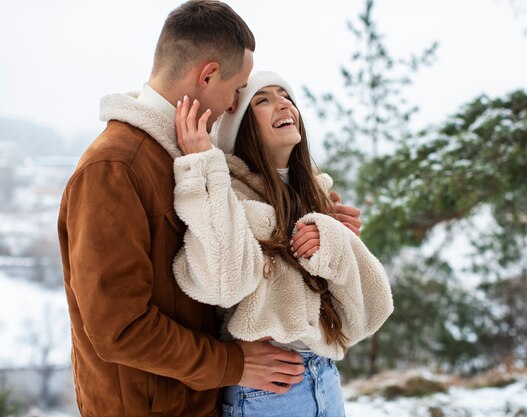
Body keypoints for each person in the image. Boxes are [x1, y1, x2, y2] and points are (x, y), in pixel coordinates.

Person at [57, 2, 363, 416]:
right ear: (207, 75)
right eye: (237, 91)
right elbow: (118, 328)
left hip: (202, 403)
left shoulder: (190, 154)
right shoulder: (116, 167)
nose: (233, 105)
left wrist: (319, 229)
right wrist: (232, 364)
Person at [172, 70, 394, 417]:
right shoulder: (227, 193)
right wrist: (201, 164)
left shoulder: (317, 197)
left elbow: (368, 313)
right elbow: (222, 284)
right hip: (267, 391)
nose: (283, 104)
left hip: (325, 377)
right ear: (241, 126)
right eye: (263, 99)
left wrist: (339, 244)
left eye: (286, 96)